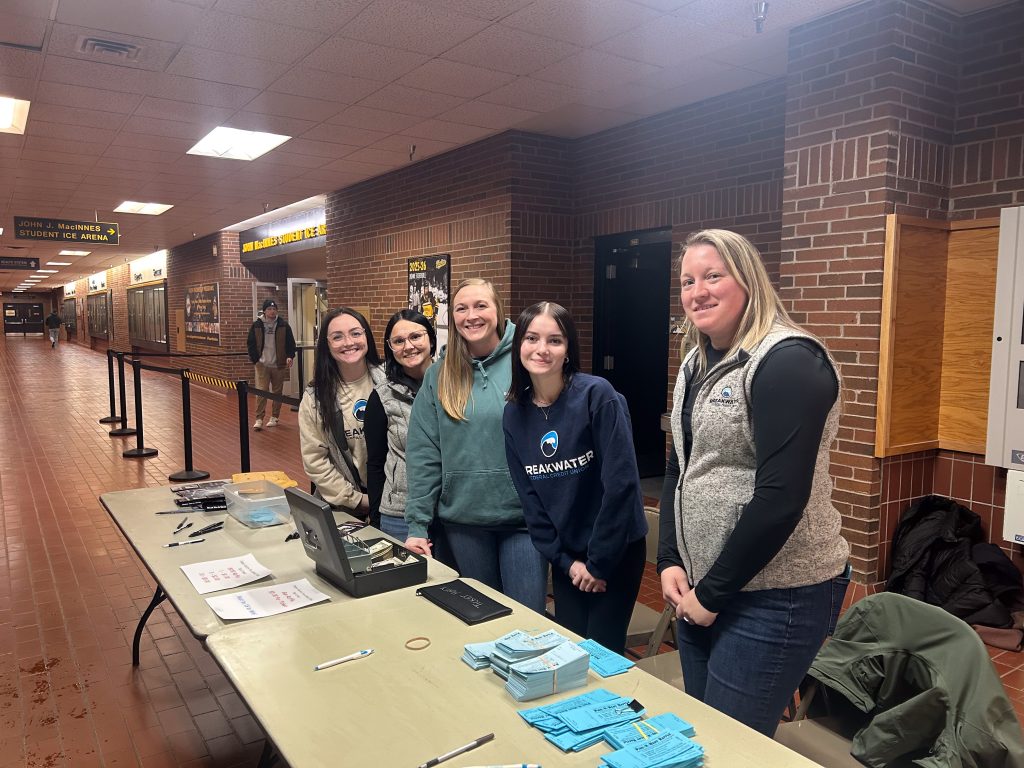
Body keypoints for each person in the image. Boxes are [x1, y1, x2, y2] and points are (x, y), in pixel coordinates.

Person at [658, 228, 850, 737]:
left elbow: (781, 498)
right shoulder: (698, 361)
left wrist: (712, 592)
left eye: (712, 276)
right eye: (687, 281)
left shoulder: (789, 361)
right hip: (704, 585)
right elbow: (681, 462)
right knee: (703, 731)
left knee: (732, 744)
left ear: (749, 280)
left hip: (776, 593)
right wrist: (670, 558)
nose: (697, 291)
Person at [504, 302, 648, 654]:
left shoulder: (597, 396)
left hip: (614, 552)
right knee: (568, 651)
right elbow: (530, 499)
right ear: (518, 345)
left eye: (555, 340)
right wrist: (567, 563)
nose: (542, 349)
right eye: (532, 338)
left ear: (568, 350)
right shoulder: (514, 413)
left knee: (602, 657)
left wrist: (597, 564)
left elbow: (621, 485)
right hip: (568, 559)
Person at [404, 278, 547, 613]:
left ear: (498, 309)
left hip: (523, 520)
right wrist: (417, 525)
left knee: (528, 624)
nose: (472, 315)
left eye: (481, 305)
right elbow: (425, 453)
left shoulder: (526, 363)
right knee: (482, 619)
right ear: (452, 317)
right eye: (461, 308)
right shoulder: (439, 374)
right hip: (465, 521)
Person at [298, 308, 384, 518]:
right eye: (337, 337)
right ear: (327, 345)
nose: (348, 342)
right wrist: (356, 500)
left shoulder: (390, 381)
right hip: (346, 509)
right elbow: (315, 461)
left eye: (355, 333)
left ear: (366, 336)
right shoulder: (315, 398)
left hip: (395, 506)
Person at [364, 309, 436, 540]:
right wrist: (375, 519)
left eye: (416, 336)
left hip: (453, 510)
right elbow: (375, 464)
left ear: (431, 339)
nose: (408, 346)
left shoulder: (455, 386)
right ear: (390, 347)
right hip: (400, 514)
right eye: (398, 341)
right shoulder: (382, 397)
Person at [246, 299, 296, 431]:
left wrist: (290, 356)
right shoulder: (257, 325)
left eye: (274, 309)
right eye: (269, 309)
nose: (272, 311)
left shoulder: (283, 325)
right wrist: (255, 359)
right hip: (262, 364)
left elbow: (291, 343)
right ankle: (259, 418)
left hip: (278, 364)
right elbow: (250, 343)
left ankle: (274, 417)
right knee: (262, 391)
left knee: (277, 392)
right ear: (264, 311)